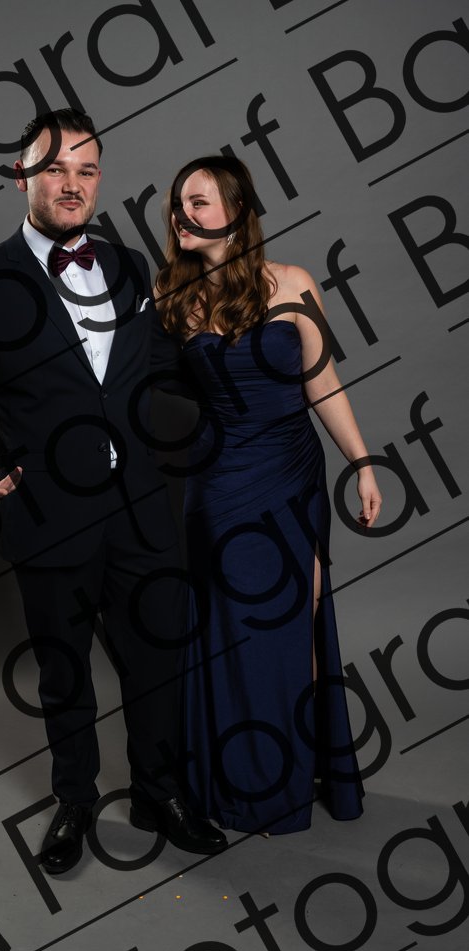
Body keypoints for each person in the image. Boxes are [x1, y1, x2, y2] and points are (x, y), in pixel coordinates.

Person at [0, 109, 226, 873]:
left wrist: (237, 362)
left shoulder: (129, 266)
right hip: (48, 511)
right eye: (54, 168)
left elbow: (157, 370)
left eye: (86, 170)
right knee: (64, 671)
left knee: (158, 657)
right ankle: (75, 800)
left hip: (142, 507)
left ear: (98, 180)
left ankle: (159, 791)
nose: (71, 183)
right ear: (21, 176)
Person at [155, 155, 382, 834]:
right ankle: (233, 778)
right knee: (229, 626)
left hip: (291, 474)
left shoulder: (294, 282)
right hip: (219, 480)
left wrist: (363, 463)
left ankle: (291, 771)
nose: (183, 214)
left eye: (198, 202)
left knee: (293, 619)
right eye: (178, 203)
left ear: (237, 211)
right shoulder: (173, 298)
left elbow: (323, 382)